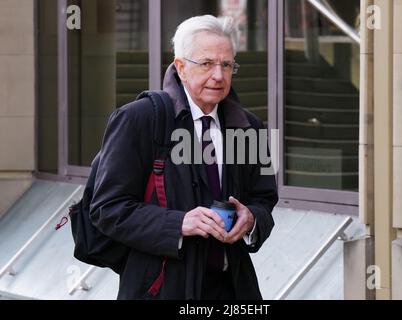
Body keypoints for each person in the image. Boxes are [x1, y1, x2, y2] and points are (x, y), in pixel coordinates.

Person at [90, 14, 278, 300]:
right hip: (162, 286)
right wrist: (179, 223)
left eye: (226, 65)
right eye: (206, 64)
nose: (218, 75)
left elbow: (264, 199)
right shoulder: (139, 119)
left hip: (234, 288)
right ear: (181, 68)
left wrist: (251, 219)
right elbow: (107, 209)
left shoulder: (250, 126)